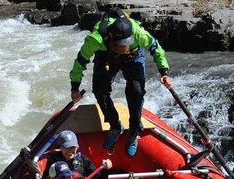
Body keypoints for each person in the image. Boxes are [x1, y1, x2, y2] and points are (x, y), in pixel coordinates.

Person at [70, 10, 173, 157]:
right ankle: (115, 126)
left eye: (125, 44)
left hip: (134, 56)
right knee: (100, 90)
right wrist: (75, 87)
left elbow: (156, 49)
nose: (123, 48)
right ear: (111, 37)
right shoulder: (95, 39)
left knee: (136, 90)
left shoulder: (139, 34)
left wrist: (165, 73)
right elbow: (80, 61)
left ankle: (133, 132)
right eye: (119, 45)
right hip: (106, 56)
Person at [43, 130, 112, 179]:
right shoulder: (53, 162)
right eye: (66, 147)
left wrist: (106, 169)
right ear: (60, 148)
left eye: (73, 147)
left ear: (77, 147)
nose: (70, 150)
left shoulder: (83, 160)